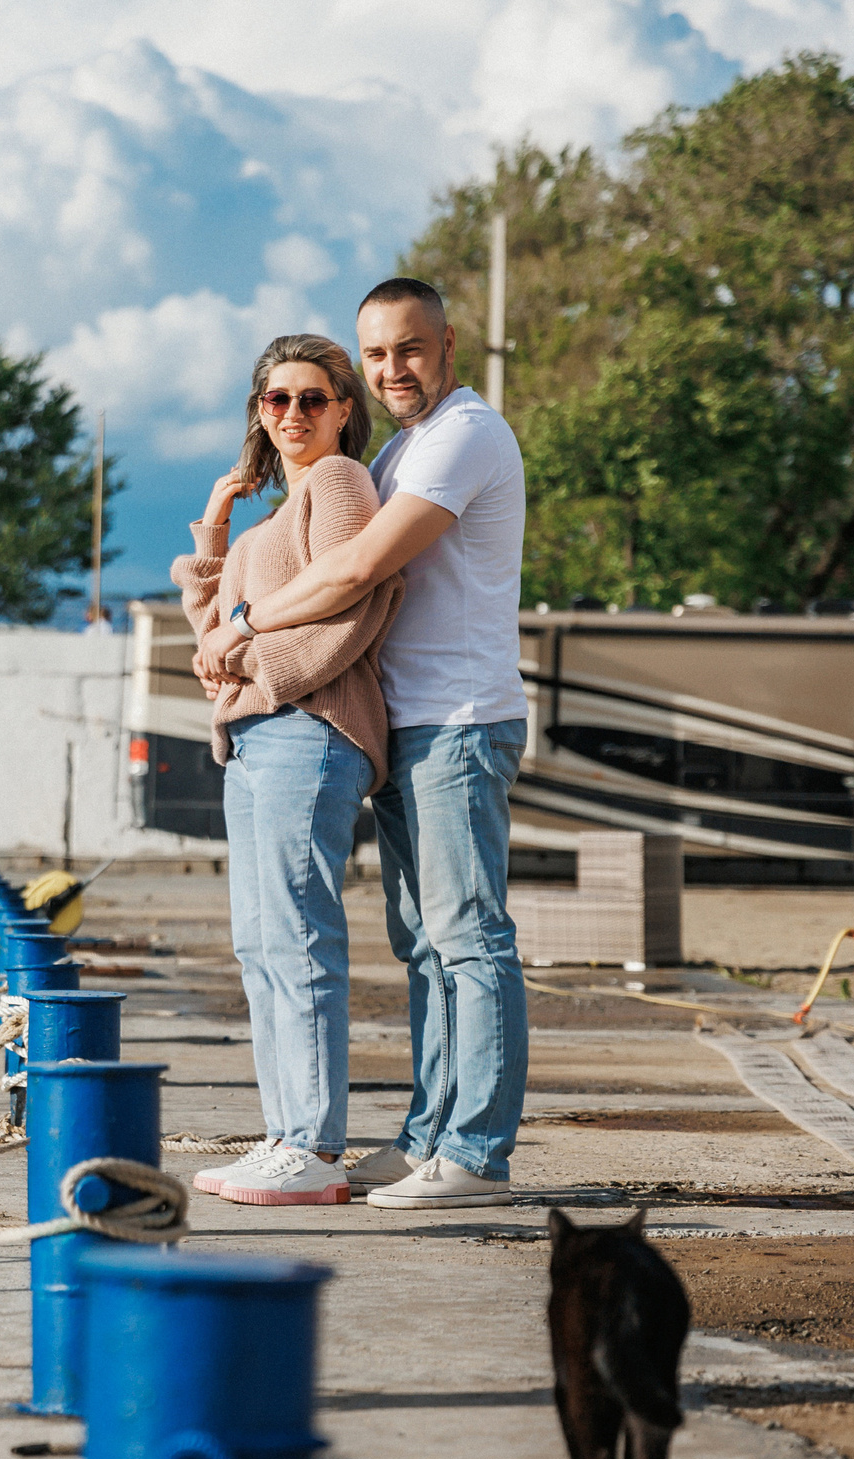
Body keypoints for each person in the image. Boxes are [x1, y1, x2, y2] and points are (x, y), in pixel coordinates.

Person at [222, 277, 528, 1210]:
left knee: (470, 938)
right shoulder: (402, 450)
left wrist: (243, 622)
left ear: (447, 345)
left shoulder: (469, 434)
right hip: (406, 722)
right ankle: (427, 1137)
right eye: (380, 353)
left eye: (411, 349)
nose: (397, 368)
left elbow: (354, 570)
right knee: (425, 944)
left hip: (460, 718)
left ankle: (475, 1153)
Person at [170, 333, 404, 1207]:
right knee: (260, 941)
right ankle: (287, 1134)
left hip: (307, 726)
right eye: (277, 400)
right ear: (259, 415)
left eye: (313, 398)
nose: (294, 414)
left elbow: (353, 598)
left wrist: (258, 671)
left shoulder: (341, 484)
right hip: (259, 736)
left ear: (346, 408)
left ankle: (310, 1140)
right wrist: (214, 532)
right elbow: (216, 633)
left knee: (297, 937)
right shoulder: (278, 511)